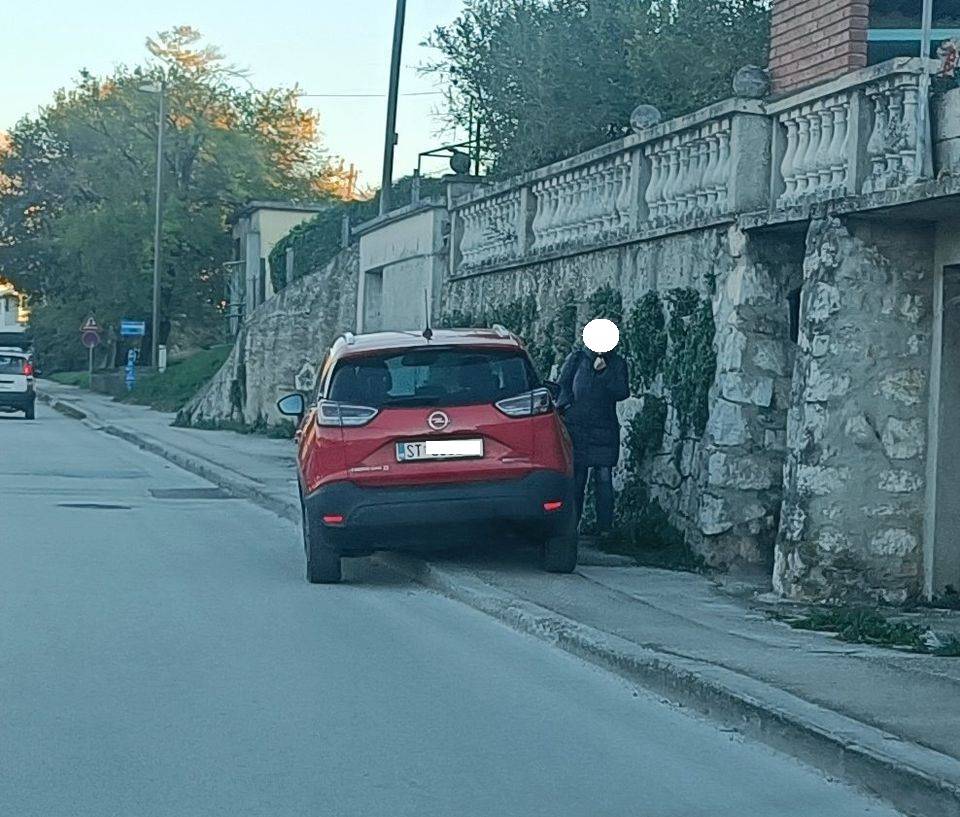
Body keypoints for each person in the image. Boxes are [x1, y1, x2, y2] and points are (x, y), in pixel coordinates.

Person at [556, 343, 629, 535]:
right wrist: (566, 407)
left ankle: (604, 529)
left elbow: (622, 392)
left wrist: (604, 374)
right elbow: (562, 385)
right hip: (577, 427)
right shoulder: (577, 359)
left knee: (604, 478)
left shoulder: (617, 363)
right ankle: (571, 526)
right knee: (577, 479)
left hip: (604, 428)